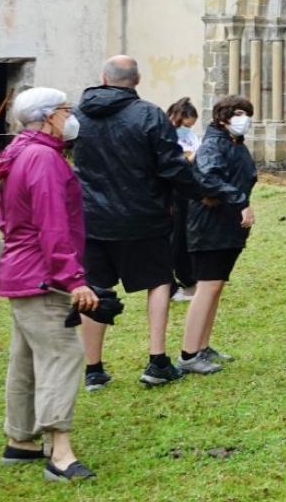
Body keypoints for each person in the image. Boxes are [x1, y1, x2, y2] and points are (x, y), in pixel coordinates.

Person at [73, 56, 201, 390]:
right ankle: (157, 360)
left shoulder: (78, 114)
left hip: (93, 217)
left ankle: (93, 368)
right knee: (158, 281)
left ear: (103, 77)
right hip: (143, 214)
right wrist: (196, 190)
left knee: (96, 287)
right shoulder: (148, 114)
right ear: (138, 79)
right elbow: (171, 165)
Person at [0, 86, 100, 482]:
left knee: (26, 358)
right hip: (42, 276)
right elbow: (52, 224)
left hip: (20, 270)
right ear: (51, 115)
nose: (71, 117)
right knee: (63, 353)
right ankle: (60, 451)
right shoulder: (43, 159)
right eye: (66, 110)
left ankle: (20, 441)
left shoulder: (20, 150)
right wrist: (73, 279)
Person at [178, 95, 258, 376]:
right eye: (238, 113)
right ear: (222, 117)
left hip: (226, 226)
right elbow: (208, 178)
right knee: (207, 286)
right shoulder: (213, 144)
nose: (243, 118)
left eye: (247, 113)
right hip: (209, 226)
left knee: (216, 285)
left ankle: (202, 345)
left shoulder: (234, 144)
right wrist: (240, 201)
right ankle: (188, 354)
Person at [166, 97, 202, 303]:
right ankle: (169, 286)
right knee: (172, 240)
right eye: (186, 125)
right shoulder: (162, 134)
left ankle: (188, 277)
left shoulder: (188, 136)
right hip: (169, 194)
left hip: (184, 193)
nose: (187, 130)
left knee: (183, 237)